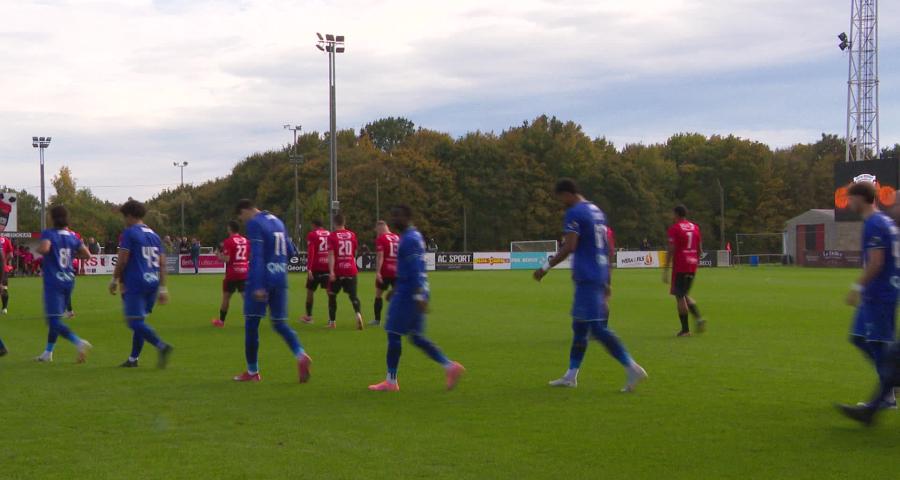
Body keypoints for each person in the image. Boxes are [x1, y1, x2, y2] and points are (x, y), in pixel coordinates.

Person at [533, 179, 647, 391]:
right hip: (599, 273)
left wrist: (545, 267)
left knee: (597, 328)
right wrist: (608, 280)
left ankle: (632, 367)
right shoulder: (597, 211)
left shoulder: (575, 212)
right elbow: (607, 248)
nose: (561, 203)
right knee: (579, 326)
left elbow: (570, 246)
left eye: (560, 199)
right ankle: (571, 375)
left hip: (587, 275)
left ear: (567, 194)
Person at [368, 205, 465, 392]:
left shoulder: (409, 240)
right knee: (416, 337)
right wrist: (396, 289)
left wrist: (417, 294)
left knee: (393, 333)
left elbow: (415, 270)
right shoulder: (414, 236)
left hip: (409, 293)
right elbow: (411, 268)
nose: (394, 219)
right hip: (409, 291)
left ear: (407, 217)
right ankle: (449, 366)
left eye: (398, 215)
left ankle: (391, 381)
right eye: (393, 214)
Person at [232, 199, 311, 383]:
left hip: (262, 279)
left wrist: (259, 285)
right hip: (280, 278)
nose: (243, 222)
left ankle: (253, 372)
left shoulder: (255, 223)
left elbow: (257, 255)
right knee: (280, 324)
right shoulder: (278, 222)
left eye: (241, 217)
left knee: (251, 325)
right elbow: (292, 252)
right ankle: (300, 354)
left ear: (245, 211)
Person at [837, 181, 900, 411]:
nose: (848, 202)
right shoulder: (884, 221)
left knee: (881, 344)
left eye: (850, 198)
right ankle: (890, 384)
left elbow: (876, 263)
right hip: (881, 292)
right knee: (859, 338)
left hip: (880, 293)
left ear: (862, 199)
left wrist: (857, 287)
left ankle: (889, 390)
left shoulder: (875, 223)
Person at [110, 199, 174, 369]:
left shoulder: (129, 233)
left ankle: (162, 346)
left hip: (136, 282)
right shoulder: (154, 235)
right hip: (152, 283)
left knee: (134, 322)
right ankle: (133, 359)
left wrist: (114, 280)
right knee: (140, 321)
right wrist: (163, 288)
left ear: (130, 216)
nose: (124, 221)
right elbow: (162, 263)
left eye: (125, 217)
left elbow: (122, 260)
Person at [35, 206, 93, 363]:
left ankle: (79, 342)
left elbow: (45, 248)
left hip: (54, 281)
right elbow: (87, 254)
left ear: (53, 218)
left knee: (53, 321)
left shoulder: (49, 233)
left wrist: (38, 249)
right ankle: (48, 353)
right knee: (56, 319)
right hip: (69, 280)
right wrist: (72, 254)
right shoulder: (73, 236)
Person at [663, 205, 706, 337]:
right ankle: (698, 318)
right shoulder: (695, 227)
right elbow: (700, 249)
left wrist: (666, 269)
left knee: (679, 296)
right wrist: (695, 261)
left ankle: (685, 330)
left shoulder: (674, 229)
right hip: (692, 264)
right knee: (684, 293)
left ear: (676, 214)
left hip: (680, 265)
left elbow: (671, 249)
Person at [327, 214, 364, 330]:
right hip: (351, 269)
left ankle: (332, 322)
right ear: (344, 222)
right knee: (353, 296)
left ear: (334, 223)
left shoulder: (332, 236)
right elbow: (355, 252)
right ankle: (358, 314)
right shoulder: (352, 235)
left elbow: (331, 255)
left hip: (338, 269)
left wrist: (332, 271)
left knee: (332, 295)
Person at [212, 221, 249, 328]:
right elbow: (249, 254)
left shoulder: (228, 241)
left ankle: (221, 322)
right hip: (244, 272)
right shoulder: (246, 240)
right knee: (246, 297)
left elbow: (227, 259)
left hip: (232, 273)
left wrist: (218, 254)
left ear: (229, 229)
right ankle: (250, 321)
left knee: (226, 297)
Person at [302, 219, 331, 324]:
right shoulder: (329, 234)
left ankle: (309, 317)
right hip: (327, 266)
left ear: (314, 225)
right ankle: (331, 319)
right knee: (330, 293)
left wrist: (309, 268)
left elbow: (311, 252)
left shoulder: (312, 235)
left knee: (310, 292)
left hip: (316, 268)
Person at [371, 220, 400, 327]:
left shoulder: (381, 239)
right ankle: (397, 319)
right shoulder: (398, 238)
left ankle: (377, 320)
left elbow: (380, 256)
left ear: (380, 228)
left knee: (379, 295)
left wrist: (378, 272)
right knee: (397, 296)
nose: (377, 233)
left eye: (377, 230)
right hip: (397, 271)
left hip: (386, 271)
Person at [0, 235, 12, 314]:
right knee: (4, 288)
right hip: (3, 268)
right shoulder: (6, 239)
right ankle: (4, 308)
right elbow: (11, 254)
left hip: (2, 267)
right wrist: (5, 262)